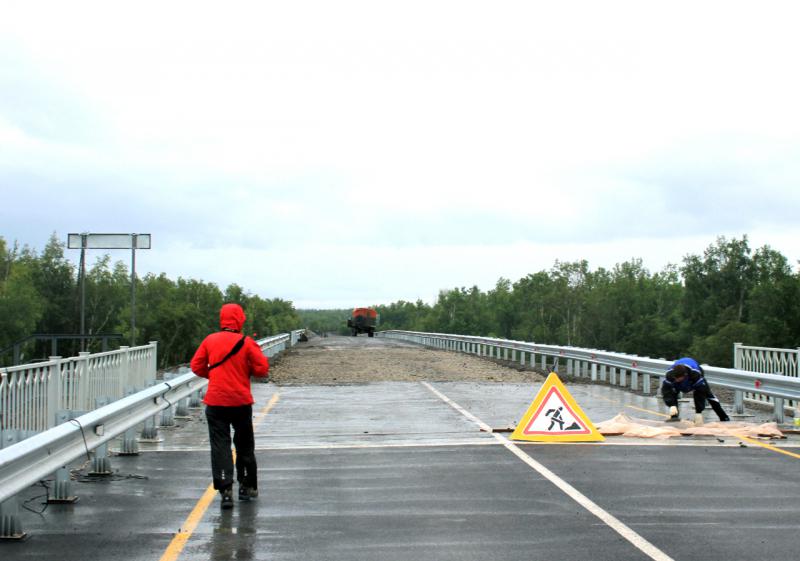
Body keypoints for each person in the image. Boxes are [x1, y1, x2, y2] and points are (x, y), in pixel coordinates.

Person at [191, 303, 269, 509]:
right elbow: (262, 369)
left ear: (222, 319)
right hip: (240, 401)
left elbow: (196, 366)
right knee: (244, 445)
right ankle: (247, 486)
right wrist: (244, 371)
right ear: (240, 319)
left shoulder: (210, 340)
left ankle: (225, 490)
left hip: (216, 402)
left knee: (220, 446)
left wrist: (214, 376)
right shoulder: (247, 342)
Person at [662, 357, 730, 424]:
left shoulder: (695, 374)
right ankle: (674, 417)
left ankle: (724, 417)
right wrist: (671, 405)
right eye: (675, 378)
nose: (676, 380)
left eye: (678, 378)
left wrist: (698, 412)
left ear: (685, 375)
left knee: (709, 395)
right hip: (682, 378)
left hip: (695, 376)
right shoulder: (670, 375)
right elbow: (666, 391)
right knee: (673, 393)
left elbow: (700, 393)